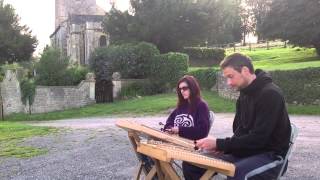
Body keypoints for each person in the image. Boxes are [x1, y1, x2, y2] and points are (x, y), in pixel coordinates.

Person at [196, 53, 291, 180]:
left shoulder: (270, 94)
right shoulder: (244, 94)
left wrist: (220, 144)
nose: (229, 83)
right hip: (248, 151)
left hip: (271, 154)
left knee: (236, 173)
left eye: (231, 77)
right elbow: (240, 131)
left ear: (245, 71)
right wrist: (224, 148)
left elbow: (259, 139)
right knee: (196, 163)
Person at [163, 75, 211, 179]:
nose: (182, 91)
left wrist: (180, 130)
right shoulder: (181, 106)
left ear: (193, 88)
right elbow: (168, 122)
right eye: (180, 89)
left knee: (189, 166)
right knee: (158, 156)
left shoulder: (201, 105)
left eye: (185, 88)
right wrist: (170, 128)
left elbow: (202, 131)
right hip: (178, 144)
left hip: (194, 147)